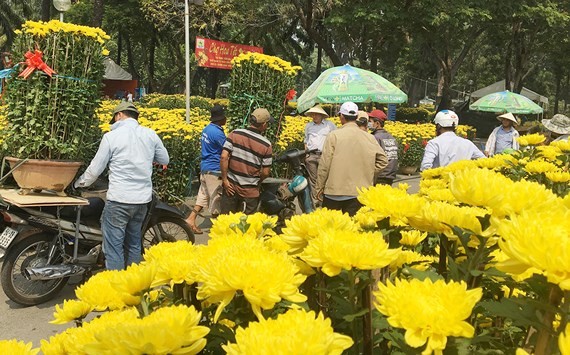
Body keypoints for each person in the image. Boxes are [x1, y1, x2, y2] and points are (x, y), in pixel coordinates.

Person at [74, 102, 169, 270]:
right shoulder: (150, 135)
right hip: (141, 201)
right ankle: (132, 286)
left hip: (119, 200)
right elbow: (164, 159)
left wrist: (79, 183)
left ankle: (117, 288)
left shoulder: (111, 137)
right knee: (133, 244)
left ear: (119, 115)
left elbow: (95, 169)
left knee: (114, 248)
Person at [315, 102, 388, 216]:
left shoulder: (334, 135)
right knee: (355, 229)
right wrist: (367, 172)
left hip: (334, 192)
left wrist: (319, 187)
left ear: (341, 117)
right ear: (356, 117)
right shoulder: (369, 137)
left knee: (332, 229)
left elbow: (325, 165)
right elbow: (383, 161)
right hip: (360, 192)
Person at [220, 108, 273, 214]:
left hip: (230, 188)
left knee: (226, 224)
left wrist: (225, 180)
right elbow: (266, 172)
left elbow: (224, 157)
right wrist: (258, 181)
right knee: (247, 227)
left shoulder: (235, 134)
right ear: (263, 125)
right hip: (250, 192)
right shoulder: (266, 145)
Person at [185, 104, 227, 234]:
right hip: (214, 170)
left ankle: (191, 219)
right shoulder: (218, 133)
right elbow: (226, 151)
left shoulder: (207, 129)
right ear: (221, 119)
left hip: (204, 168)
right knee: (216, 198)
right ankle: (217, 227)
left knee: (202, 196)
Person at [420, 110, 484, 171]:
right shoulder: (468, 143)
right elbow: (484, 161)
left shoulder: (434, 143)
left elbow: (425, 166)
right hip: (463, 180)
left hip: (442, 180)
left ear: (438, 126)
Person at [303, 105, 336, 206]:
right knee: (313, 180)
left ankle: (324, 201)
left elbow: (335, 138)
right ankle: (316, 203)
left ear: (322, 115)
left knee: (324, 178)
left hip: (324, 156)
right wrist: (306, 154)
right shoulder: (308, 126)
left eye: (316, 114)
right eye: (313, 114)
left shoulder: (329, 125)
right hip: (311, 155)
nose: (314, 116)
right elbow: (305, 141)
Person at [368, 109, 399, 185]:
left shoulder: (375, 137)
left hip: (379, 176)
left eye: (370, 121)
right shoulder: (391, 137)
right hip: (390, 175)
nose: (368, 123)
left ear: (377, 123)